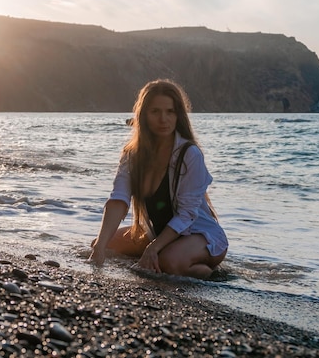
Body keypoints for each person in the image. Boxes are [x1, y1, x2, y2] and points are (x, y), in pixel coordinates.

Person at [88, 79, 228, 279]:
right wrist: (100, 247)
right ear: (143, 115)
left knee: (168, 263)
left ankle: (211, 275)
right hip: (158, 233)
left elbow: (187, 214)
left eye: (170, 111)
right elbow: (118, 200)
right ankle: (161, 254)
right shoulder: (132, 155)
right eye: (155, 112)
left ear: (178, 115)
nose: (163, 119)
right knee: (102, 245)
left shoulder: (189, 154)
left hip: (200, 235)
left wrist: (154, 248)